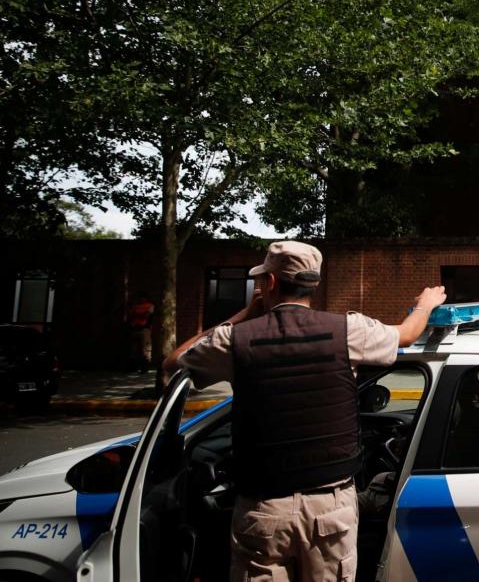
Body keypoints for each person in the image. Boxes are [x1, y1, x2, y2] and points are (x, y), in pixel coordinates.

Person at [162, 240, 446, 582]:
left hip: (263, 511)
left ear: (268, 284)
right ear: (313, 283)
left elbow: (174, 362)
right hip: (331, 509)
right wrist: (425, 304)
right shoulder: (347, 331)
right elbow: (406, 335)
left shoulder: (236, 341)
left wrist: (246, 315)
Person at [126, 296, 155, 372]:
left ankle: (145, 367)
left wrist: (137, 314)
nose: (141, 299)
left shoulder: (149, 306)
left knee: (145, 348)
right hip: (134, 328)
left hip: (144, 329)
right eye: (139, 298)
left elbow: (147, 315)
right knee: (133, 349)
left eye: (142, 297)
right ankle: (133, 367)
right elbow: (130, 315)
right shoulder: (135, 306)